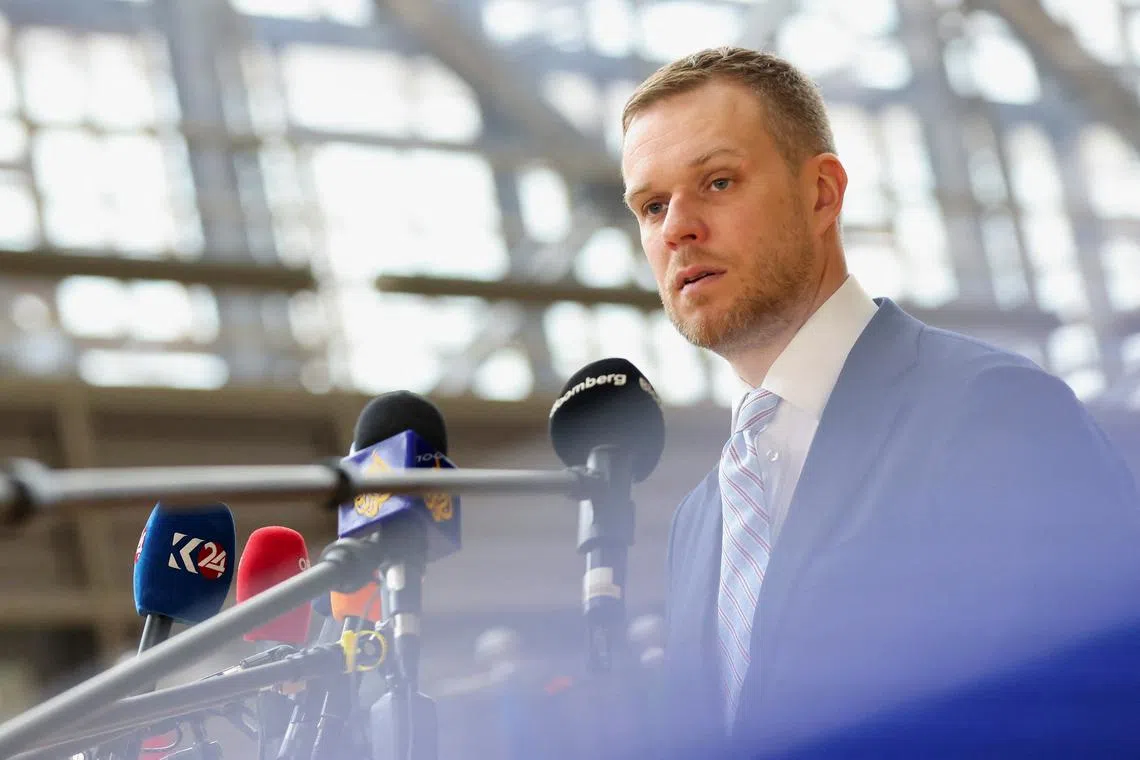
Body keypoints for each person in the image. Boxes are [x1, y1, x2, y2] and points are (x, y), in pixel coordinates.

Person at [619, 46, 1140, 758]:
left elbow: (1097, 715)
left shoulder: (993, 413)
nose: (676, 227)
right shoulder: (700, 518)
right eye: (652, 206)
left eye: (717, 181)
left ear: (821, 195)